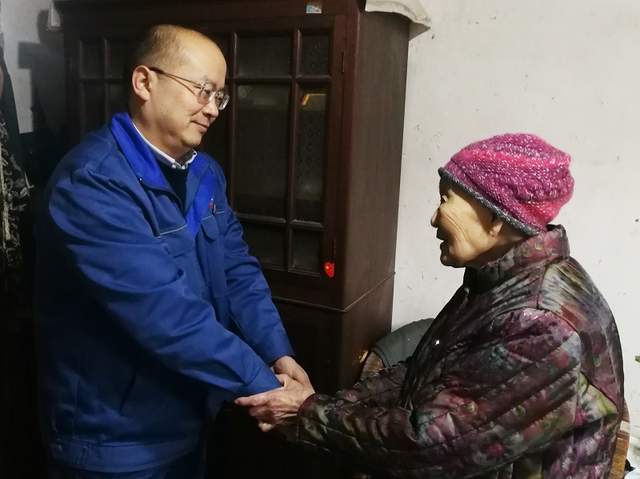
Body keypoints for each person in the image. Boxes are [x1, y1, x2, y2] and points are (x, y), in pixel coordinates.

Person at [237, 133, 625, 478]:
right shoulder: (498, 282)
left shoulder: (541, 323)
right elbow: (426, 372)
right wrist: (321, 406)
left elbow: (431, 444)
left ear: (495, 217)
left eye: (445, 199)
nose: (434, 218)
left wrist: (307, 413)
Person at [34, 24, 309, 478]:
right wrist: (270, 389)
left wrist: (279, 353)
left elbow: (238, 271)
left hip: (190, 413)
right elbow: (166, 314)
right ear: (144, 82)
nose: (212, 108)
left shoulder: (204, 172)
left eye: (219, 96)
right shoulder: (92, 184)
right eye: (202, 90)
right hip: (116, 438)